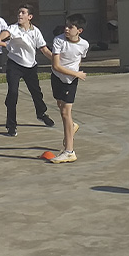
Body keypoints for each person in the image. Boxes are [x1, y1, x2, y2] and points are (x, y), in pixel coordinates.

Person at [0, 3, 54, 136]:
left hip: (30, 67)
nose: (19, 15)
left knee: (36, 93)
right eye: (19, 12)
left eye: (23, 13)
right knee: (13, 93)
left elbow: (44, 49)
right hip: (14, 65)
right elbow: (6, 33)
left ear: (30, 17)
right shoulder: (14, 28)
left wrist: (56, 61)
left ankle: (41, 114)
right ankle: (11, 125)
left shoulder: (35, 31)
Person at [48, 13, 89, 163]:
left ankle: (69, 152)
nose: (66, 29)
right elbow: (56, 65)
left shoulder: (84, 45)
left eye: (70, 27)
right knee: (60, 106)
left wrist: (75, 74)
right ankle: (71, 126)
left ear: (79, 30)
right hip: (57, 77)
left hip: (70, 81)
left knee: (65, 113)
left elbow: (79, 59)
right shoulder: (58, 40)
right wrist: (77, 73)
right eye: (66, 25)